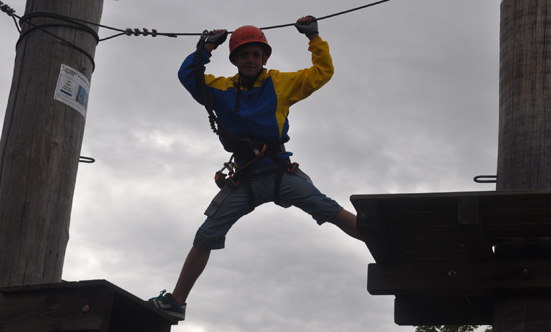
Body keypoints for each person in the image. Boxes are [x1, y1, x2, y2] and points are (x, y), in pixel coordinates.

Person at [149, 16, 362, 320]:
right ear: (235, 59)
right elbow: (189, 75)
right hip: (245, 178)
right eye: (244, 55)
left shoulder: (280, 83)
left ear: (264, 58)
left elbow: (321, 72)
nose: (250, 59)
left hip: (278, 172)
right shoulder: (222, 89)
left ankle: (386, 246)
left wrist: (314, 38)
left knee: (327, 209)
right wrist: (207, 46)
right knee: (207, 234)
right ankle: (177, 301)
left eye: (255, 55)